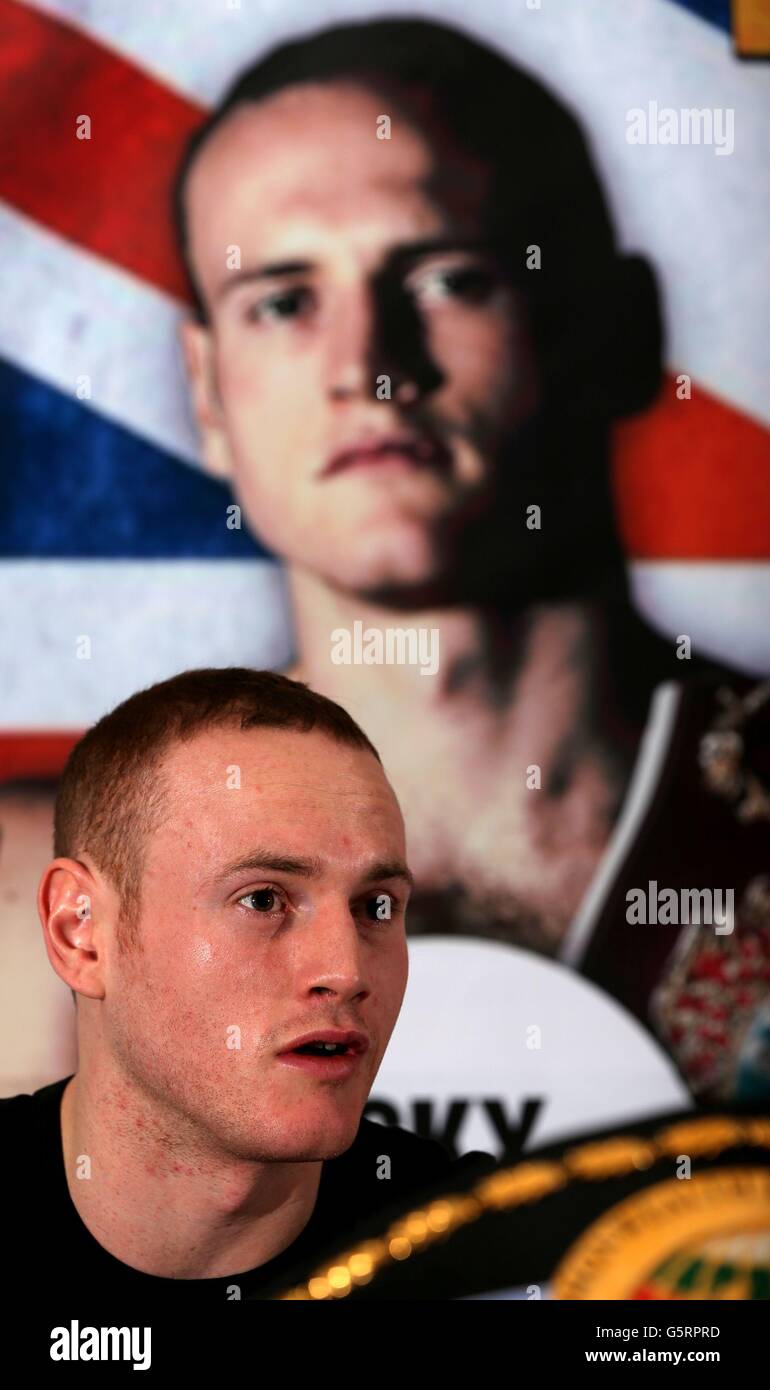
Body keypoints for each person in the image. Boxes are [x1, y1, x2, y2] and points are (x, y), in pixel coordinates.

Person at [172, 17, 770, 1102]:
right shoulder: (65, 891)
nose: (369, 367)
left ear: (616, 328)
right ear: (207, 392)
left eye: (448, 279)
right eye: (284, 302)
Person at [1, 667, 494, 1300]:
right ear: (81, 932)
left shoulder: (483, 1258)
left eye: (375, 906)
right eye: (263, 900)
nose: (344, 972)